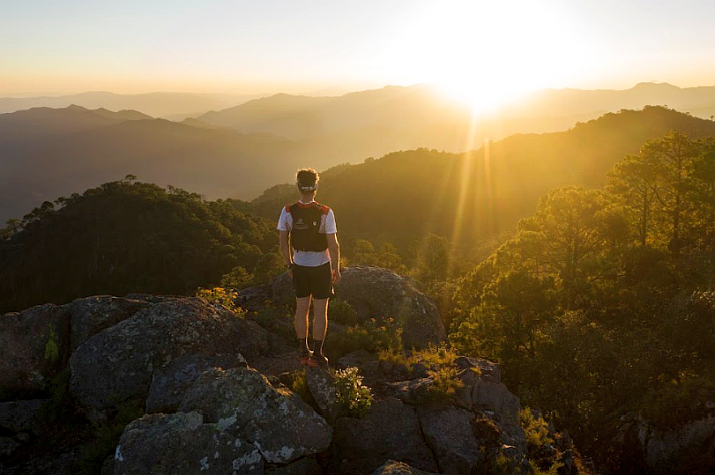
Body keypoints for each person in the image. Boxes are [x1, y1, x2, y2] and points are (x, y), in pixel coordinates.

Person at [278, 168, 340, 367]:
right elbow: (334, 245)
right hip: (321, 267)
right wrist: (336, 269)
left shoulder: (288, 211)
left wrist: (290, 265)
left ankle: (304, 353)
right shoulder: (325, 212)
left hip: (300, 267)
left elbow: (282, 242)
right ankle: (317, 355)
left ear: (298, 186)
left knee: (301, 310)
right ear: (316, 187)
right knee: (320, 311)